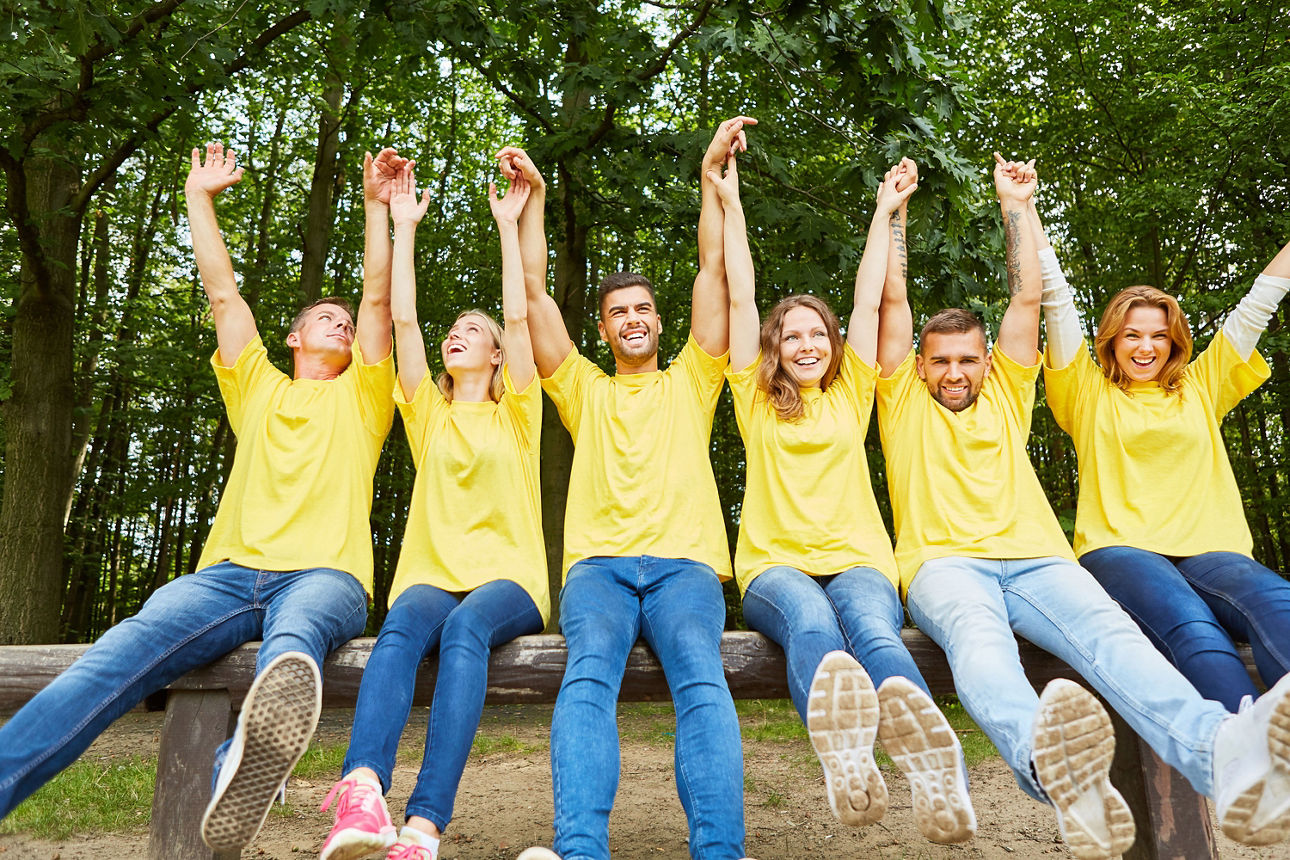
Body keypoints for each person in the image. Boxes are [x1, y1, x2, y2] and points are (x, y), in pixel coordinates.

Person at [873, 152, 1290, 858]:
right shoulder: (898, 399)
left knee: (1116, 642)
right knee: (982, 648)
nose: (954, 372)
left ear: (987, 362)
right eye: (940, 360)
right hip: (946, 566)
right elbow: (890, 305)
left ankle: (1222, 753)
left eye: (967, 359)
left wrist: (1017, 209)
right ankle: (1054, 767)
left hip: (1040, 559)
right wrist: (893, 216)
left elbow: (1030, 299)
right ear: (919, 365)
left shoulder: (1011, 390)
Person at [0, 141, 398, 853]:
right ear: (292, 335)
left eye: (348, 322)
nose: (341, 323)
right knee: (114, 655)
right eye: (323, 317)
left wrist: (376, 206)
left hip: (324, 576)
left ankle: (236, 772)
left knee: (292, 650)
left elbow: (375, 294)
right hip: (223, 578)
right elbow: (223, 292)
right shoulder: (257, 385)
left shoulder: (367, 398)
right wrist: (198, 195)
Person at [706, 148, 973, 843]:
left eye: (816, 333)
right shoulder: (753, 399)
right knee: (815, 628)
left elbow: (867, 297)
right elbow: (738, 292)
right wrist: (729, 203)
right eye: (790, 335)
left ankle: (929, 763)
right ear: (773, 347)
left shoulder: (853, 393)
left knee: (876, 630)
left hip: (858, 557)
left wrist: (886, 213)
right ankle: (845, 757)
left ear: (832, 343)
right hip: (775, 566)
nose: (806, 343)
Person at [512, 118, 754, 860]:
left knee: (702, 686)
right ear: (606, 329)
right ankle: (581, 849)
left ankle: (721, 851)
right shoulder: (581, 388)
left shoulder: (694, 379)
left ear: (658, 320)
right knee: (585, 681)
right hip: (599, 569)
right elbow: (529, 290)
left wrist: (714, 178)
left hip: (685, 566)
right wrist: (535, 200)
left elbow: (714, 275)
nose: (632, 320)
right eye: (618, 313)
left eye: (642, 309)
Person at [317, 155, 549, 860]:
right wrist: (402, 223)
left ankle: (424, 827)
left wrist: (508, 225)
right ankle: (361, 791)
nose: (459, 334)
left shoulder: (521, 412)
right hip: (431, 572)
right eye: (457, 330)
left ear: (499, 355)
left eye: (473, 332)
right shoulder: (428, 414)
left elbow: (518, 312)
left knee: (467, 631)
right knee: (398, 632)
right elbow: (405, 320)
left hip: (509, 581)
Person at [1036, 203, 1290, 713]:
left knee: (1279, 604)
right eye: (1132, 334)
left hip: (1212, 548)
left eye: (1158, 335)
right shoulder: (1086, 390)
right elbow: (1057, 301)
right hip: (1122, 548)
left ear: (1174, 340)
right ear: (1113, 339)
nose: (1146, 346)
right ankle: (1248, 747)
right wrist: (1020, 208)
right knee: (1193, 628)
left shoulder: (1202, 383)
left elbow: (1259, 304)